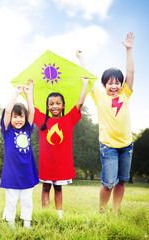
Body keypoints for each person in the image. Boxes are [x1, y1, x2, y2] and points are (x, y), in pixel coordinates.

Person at [78, 33, 135, 212]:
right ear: (104, 85)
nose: (114, 86)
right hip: (108, 146)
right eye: (110, 83)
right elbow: (88, 76)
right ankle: (102, 211)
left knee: (122, 181)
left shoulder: (125, 94)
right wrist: (81, 58)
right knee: (109, 183)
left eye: (117, 83)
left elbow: (130, 73)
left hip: (127, 145)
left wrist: (129, 50)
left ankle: (115, 211)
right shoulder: (99, 97)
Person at [34, 70, 89, 219]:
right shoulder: (42, 121)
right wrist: (30, 89)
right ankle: (45, 215)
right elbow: (30, 108)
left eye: (58, 103)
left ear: (63, 105)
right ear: (47, 106)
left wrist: (85, 84)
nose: (55, 106)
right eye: (51, 104)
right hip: (46, 163)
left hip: (61, 163)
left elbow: (80, 103)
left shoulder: (68, 120)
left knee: (58, 188)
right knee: (45, 187)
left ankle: (59, 215)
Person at [0, 80, 39, 229]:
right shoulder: (8, 131)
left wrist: (29, 94)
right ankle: (10, 223)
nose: (18, 119)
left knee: (27, 200)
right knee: (11, 200)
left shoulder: (27, 129)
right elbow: (8, 110)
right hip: (11, 173)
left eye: (21, 116)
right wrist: (16, 93)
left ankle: (27, 223)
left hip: (27, 172)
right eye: (15, 117)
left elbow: (32, 111)